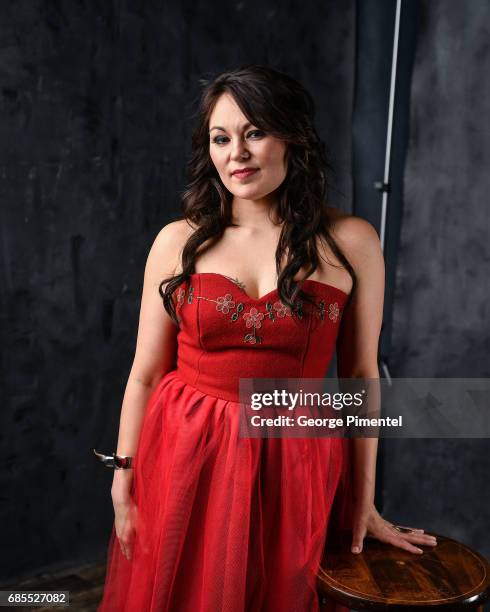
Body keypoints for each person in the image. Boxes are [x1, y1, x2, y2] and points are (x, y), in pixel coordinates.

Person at [96, 65, 437, 612]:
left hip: (295, 455)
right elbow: (145, 374)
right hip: (187, 451)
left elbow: (360, 376)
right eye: (221, 137)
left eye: (255, 132)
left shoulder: (350, 241)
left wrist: (364, 499)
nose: (237, 154)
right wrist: (122, 474)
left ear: (293, 137)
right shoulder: (176, 241)